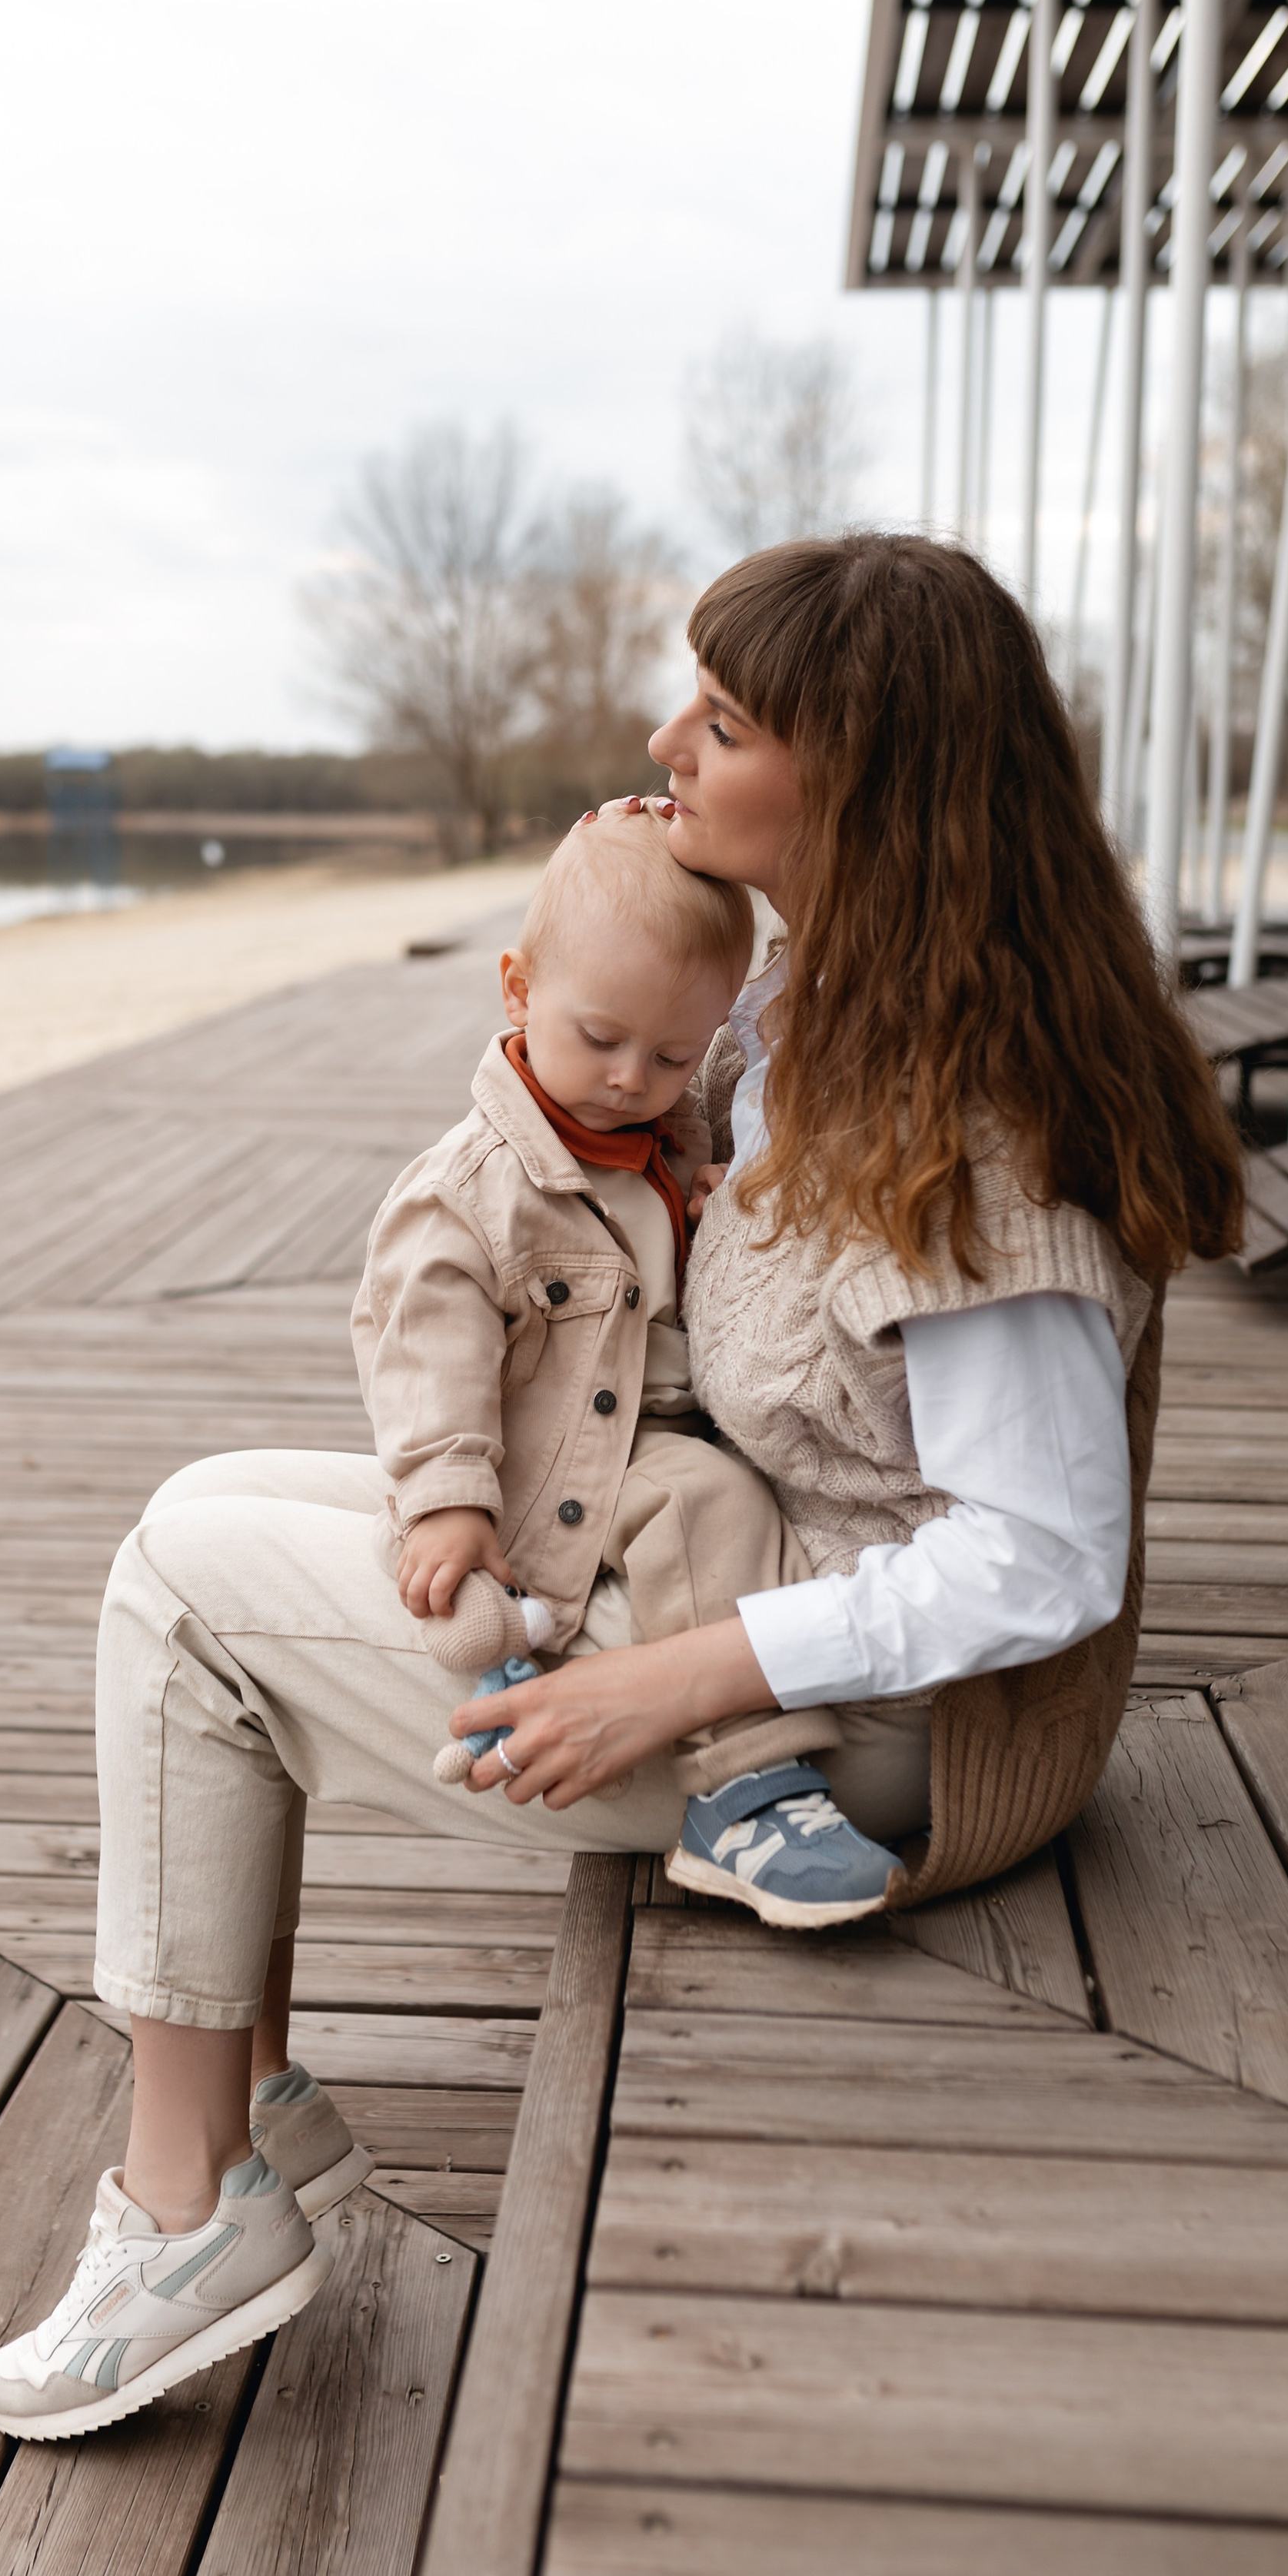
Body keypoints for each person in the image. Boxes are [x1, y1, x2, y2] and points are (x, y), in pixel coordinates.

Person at [0, 530, 1243, 2443]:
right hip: (748, 1609)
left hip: (856, 1746)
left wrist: (675, 1678)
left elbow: (1049, 1558)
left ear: (859, 785)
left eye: (722, 723)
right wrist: (638, 895)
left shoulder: (966, 1123)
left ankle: (191, 2198)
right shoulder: (842, 1004)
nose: (668, 737)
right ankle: (249, 2112)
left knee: (185, 1589)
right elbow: (612, 1103)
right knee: (216, 1495)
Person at [351, 801, 890, 1917]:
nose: (629, 1078)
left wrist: (718, 1219)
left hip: (649, 1420)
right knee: (706, 1500)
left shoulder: (664, 1144)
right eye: (599, 1038)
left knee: (730, 1504)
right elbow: (425, 1346)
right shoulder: (472, 1187)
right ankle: (746, 1789)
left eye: (672, 1055)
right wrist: (451, 1499)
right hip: (563, 1460)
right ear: (517, 989)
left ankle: (571, 1654)